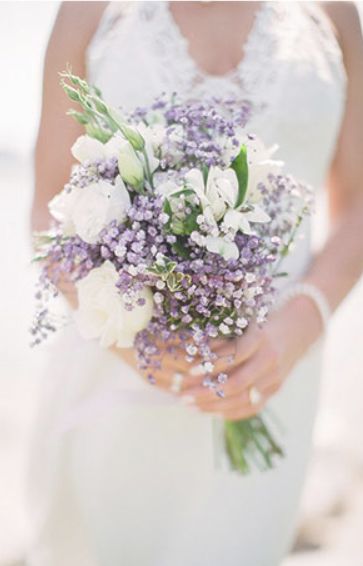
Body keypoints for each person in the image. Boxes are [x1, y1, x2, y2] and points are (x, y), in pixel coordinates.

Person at [28, 2, 363, 565]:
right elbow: (47, 206)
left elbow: (355, 203)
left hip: (274, 378)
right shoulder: (92, 10)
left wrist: (298, 326)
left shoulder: (335, 13)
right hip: (117, 381)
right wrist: (138, 344)